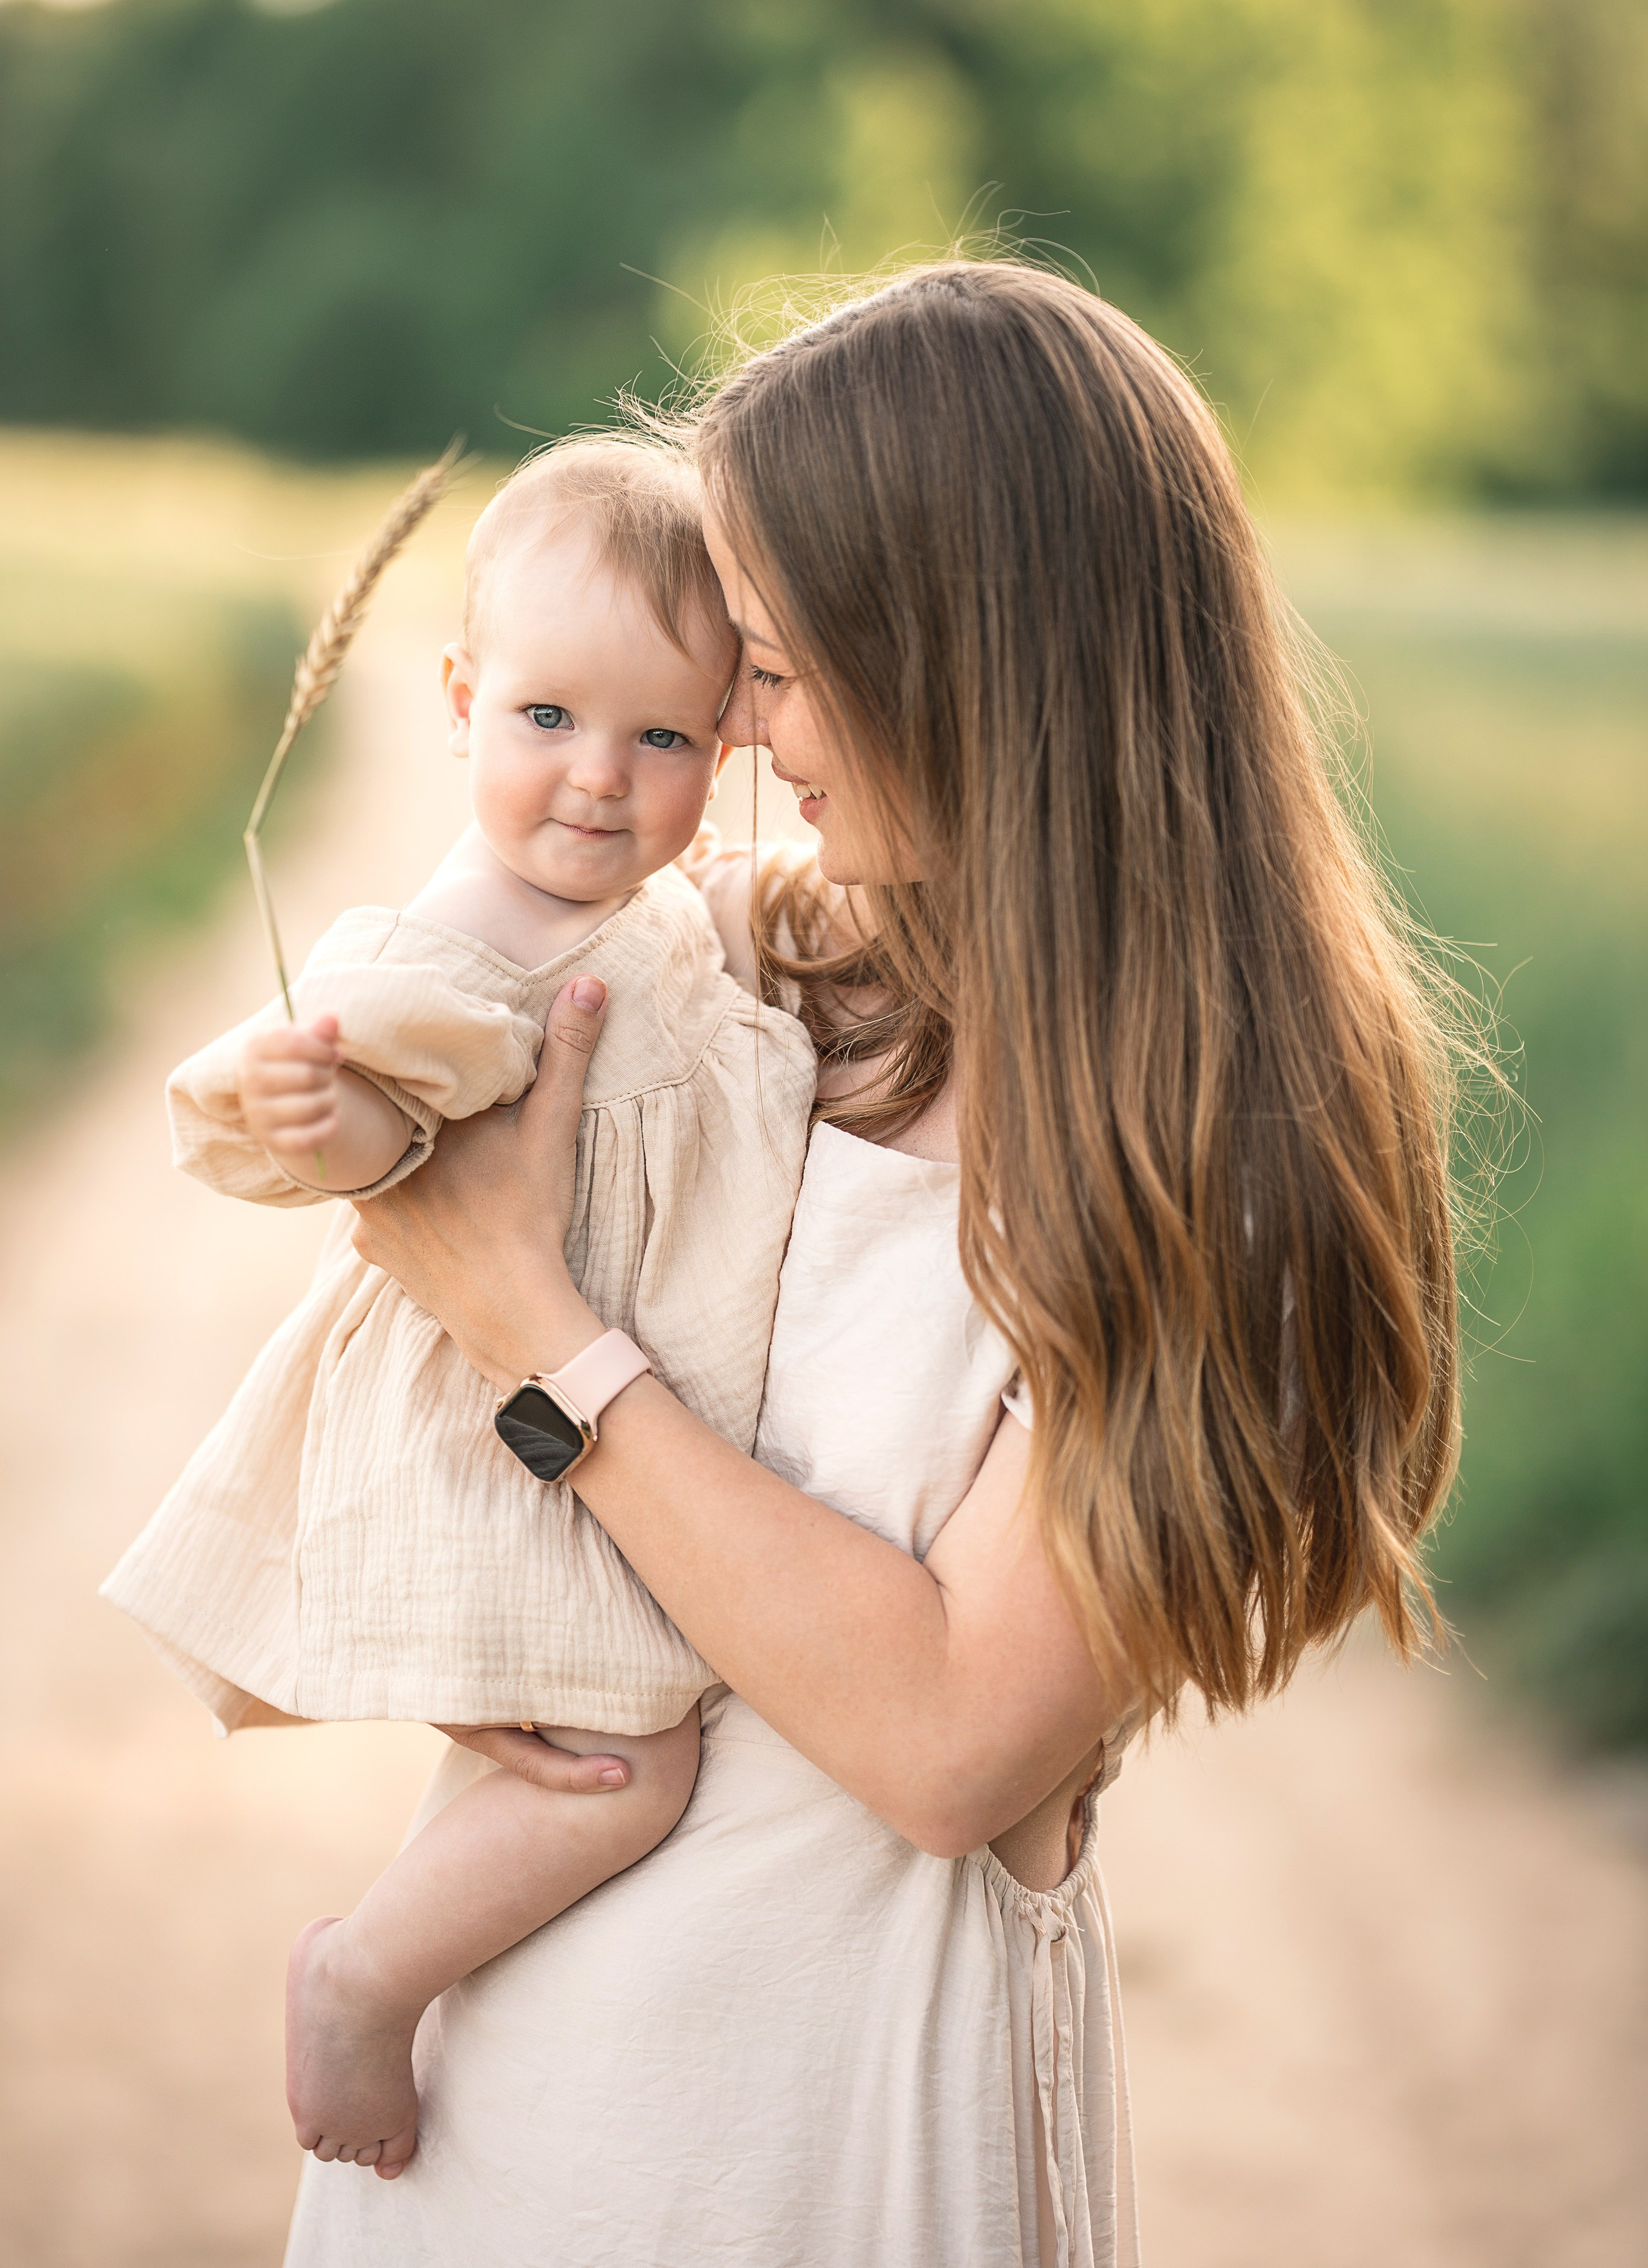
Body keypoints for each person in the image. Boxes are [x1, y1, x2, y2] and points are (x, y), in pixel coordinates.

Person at [286, 260, 1463, 2268]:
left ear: (978, 662)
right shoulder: (778, 966)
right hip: (508, 2090)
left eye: (786, 664)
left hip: (822, 2121)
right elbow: (476, 968)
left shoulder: (1227, 1149)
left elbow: (944, 1742)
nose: (741, 731)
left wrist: (533, 1330)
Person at [101, 437, 816, 2180]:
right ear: (458, 700)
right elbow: (382, 1111)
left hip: (600, 1398)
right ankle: (365, 1973)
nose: (598, 779)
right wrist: (316, 1107)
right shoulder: (467, 942)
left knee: (653, 1733)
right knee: (628, 1767)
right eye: (549, 719)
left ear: (727, 743)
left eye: (661, 737)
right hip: (512, 1433)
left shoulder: (649, 913)